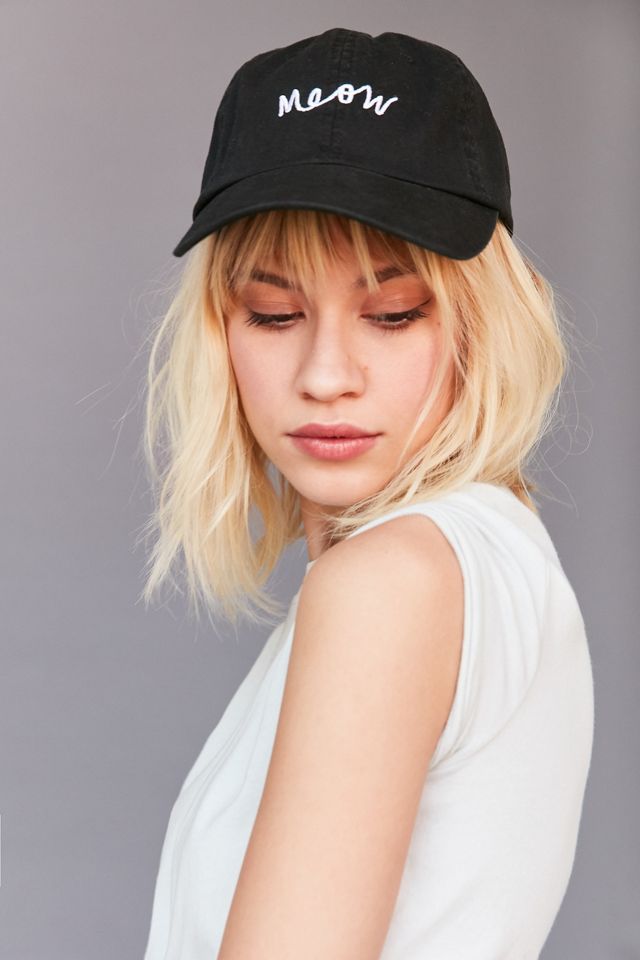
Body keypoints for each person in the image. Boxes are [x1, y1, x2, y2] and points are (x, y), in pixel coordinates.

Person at [139, 27, 594, 960]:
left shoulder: (387, 586)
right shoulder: (490, 560)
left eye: (392, 313)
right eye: (274, 314)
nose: (325, 375)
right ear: (220, 328)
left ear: (482, 320)